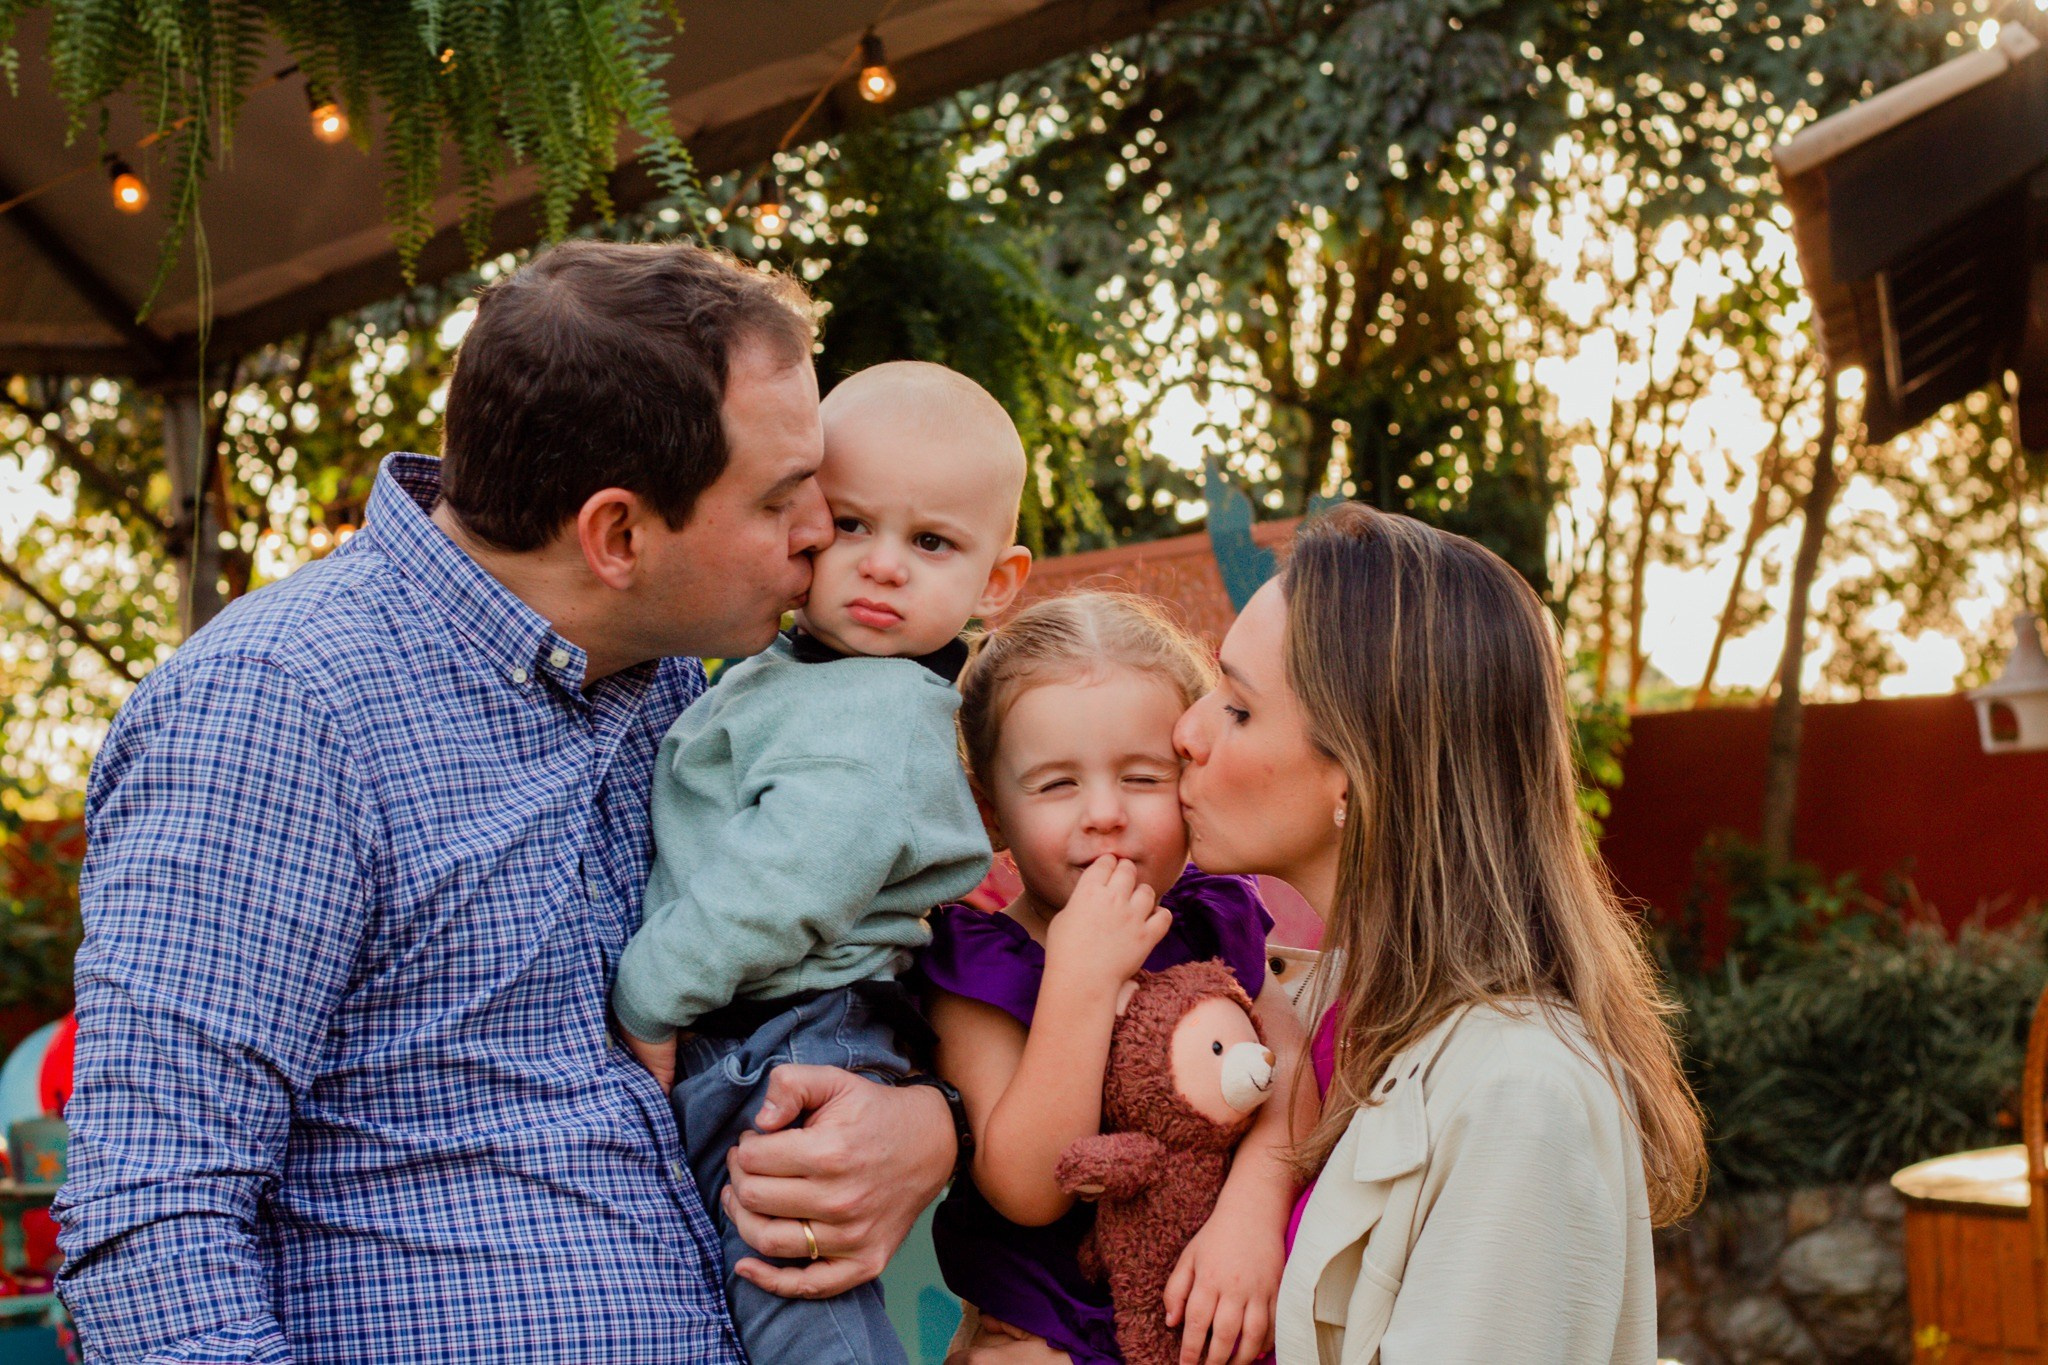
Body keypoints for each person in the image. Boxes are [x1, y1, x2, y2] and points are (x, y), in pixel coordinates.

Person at [54, 241, 963, 1364]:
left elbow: (842, 949)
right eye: (783, 497)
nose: (823, 527)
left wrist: (925, 1127)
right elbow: (151, 1227)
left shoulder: (678, 679)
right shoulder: (277, 712)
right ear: (617, 535)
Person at [1173, 504, 1707, 1364]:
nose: (1185, 732)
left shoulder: (1520, 1099)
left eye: (1236, 707)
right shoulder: (1286, 1010)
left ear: (1349, 777)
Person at [611, 361, 1033, 1364]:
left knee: (799, 1307)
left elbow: (777, 886)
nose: (882, 565)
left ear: (997, 583)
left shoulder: (883, 715)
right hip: (777, 1024)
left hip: (787, 1034)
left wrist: (648, 991)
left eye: (929, 542)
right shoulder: (800, 675)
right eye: (851, 525)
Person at [920, 593, 1313, 1365]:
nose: (1103, 814)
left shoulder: (1210, 917)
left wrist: (1250, 1212)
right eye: (1057, 785)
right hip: (1057, 1333)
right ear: (991, 812)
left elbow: (1292, 1066)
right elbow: (1030, 1187)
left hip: (1210, 1313)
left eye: (1141, 777)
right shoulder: (978, 969)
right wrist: (1080, 978)